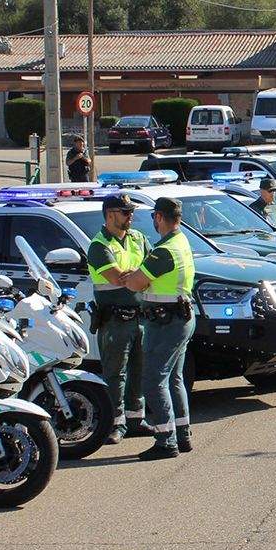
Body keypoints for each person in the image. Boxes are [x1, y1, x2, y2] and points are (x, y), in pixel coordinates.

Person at [123, 196, 196, 460]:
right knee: (174, 378)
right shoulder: (180, 241)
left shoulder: (163, 251)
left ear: (158, 217)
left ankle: (166, 440)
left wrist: (131, 277)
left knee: (154, 379)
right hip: (180, 317)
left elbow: (135, 284)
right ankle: (182, 433)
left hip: (167, 321)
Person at [85, 192, 150, 442]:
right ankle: (115, 424)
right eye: (126, 212)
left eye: (131, 212)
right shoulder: (99, 245)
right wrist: (140, 276)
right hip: (115, 320)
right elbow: (117, 278)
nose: (131, 216)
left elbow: (153, 268)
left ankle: (136, 419)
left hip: (140, 317)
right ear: (110, 214)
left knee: (139, 371)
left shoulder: (138, 238)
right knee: (115, 373)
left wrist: (139, 275)